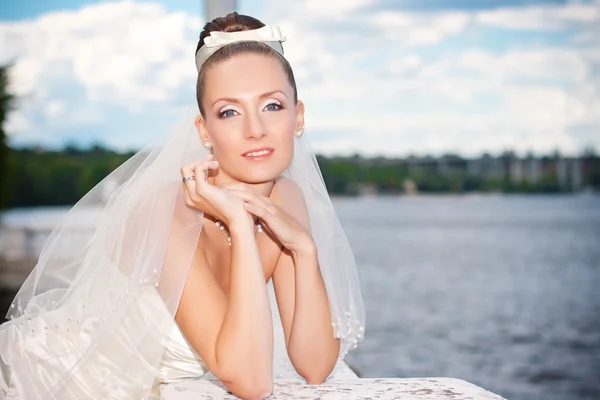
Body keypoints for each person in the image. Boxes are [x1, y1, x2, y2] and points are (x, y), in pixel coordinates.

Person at [0, 12, 365, 400]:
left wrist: (304, 250)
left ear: (298, 116)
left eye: (272, 106)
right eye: (229, 112)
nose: (255, 129)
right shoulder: (164, 210)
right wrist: (240, 226)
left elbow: (315, 365)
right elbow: (253, 383)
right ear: (204, 131)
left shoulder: (287, 198)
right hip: (61, 385)